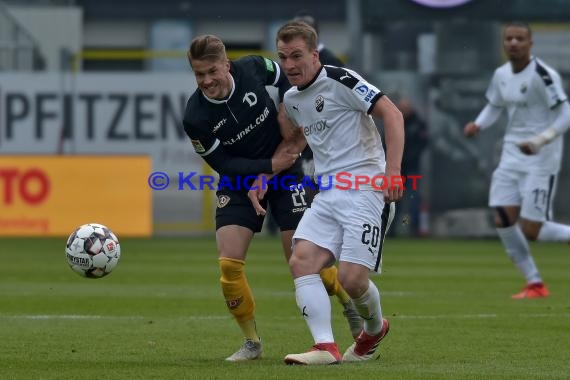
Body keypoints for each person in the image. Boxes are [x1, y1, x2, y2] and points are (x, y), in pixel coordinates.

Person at [182, 34, 362, 361]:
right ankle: (252, 343)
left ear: (227, 64)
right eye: (199, 75)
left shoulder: (252, 67)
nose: (207, 81)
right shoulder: (195, 117)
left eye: (212, 71)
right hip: (240, 181)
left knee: (306, 259)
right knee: (229, 265)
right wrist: (265, 167)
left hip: (287, 171)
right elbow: (223, 164)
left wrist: (287, 116)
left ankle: (349, 305)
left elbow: (288, 83)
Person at [249, 21, 404, 364]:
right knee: (301, 260)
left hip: (366, 189)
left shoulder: (341, 80)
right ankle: (325, 347)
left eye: (297, 56)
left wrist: (393, 171)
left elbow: (392, 115)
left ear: (314, 55)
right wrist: (264, 177)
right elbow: (295, 143)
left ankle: (374, 330)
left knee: (351, 279)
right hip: (327, 194)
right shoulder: (291, 99)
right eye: (283, 57)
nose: (289, 65)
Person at [464, 22, 570, 299]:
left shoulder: (543, 75)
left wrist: (539, 140)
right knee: (502, 219)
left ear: (530, 43)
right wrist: (478, 124)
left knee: (532, 230)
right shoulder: (501, 74)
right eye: (509, 38)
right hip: (511, 154)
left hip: (541, 157)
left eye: (519, 39)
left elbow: (565, 114)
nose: (513, 43)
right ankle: (534, 283)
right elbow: (495, 105)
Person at [395, 97, 428, 236]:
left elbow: (423, 143)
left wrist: (409, 157)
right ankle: (393, 229)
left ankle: (413, 227)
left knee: (413, 198)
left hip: (412, 169)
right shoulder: (395, 122)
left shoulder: (418, 124)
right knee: (395, 200)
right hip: (398, 169)